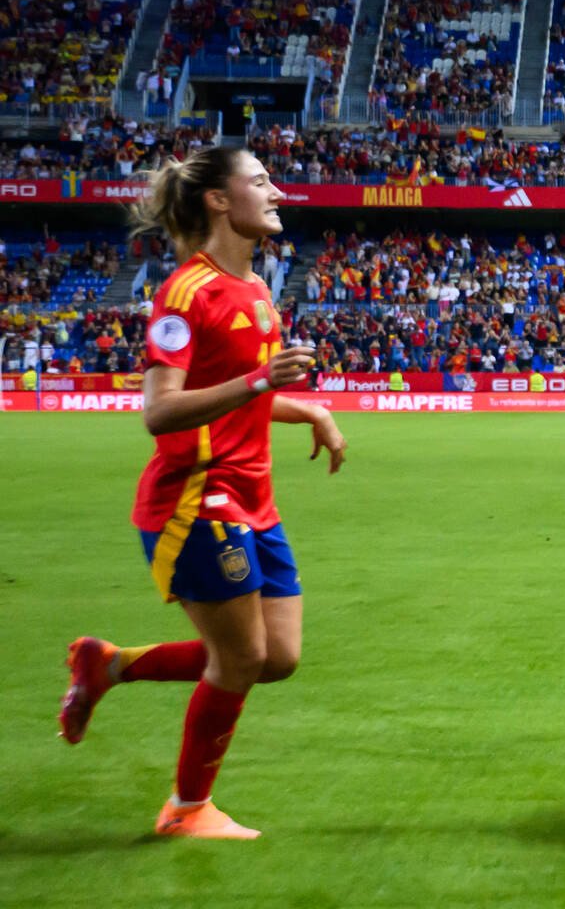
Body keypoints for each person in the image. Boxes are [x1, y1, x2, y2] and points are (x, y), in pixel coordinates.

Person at [57, 147, 346, 840]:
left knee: (277, 657)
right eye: (260, 181)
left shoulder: (256, 288)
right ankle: (187, 809)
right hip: (197, 501)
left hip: (254, 501)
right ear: (219, 200)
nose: (277, 192)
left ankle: (110, 664)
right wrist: (263, 382)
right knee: (241, 659)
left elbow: (244, 397)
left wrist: (303, 408)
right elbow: (160, 411)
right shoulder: (186, 294)